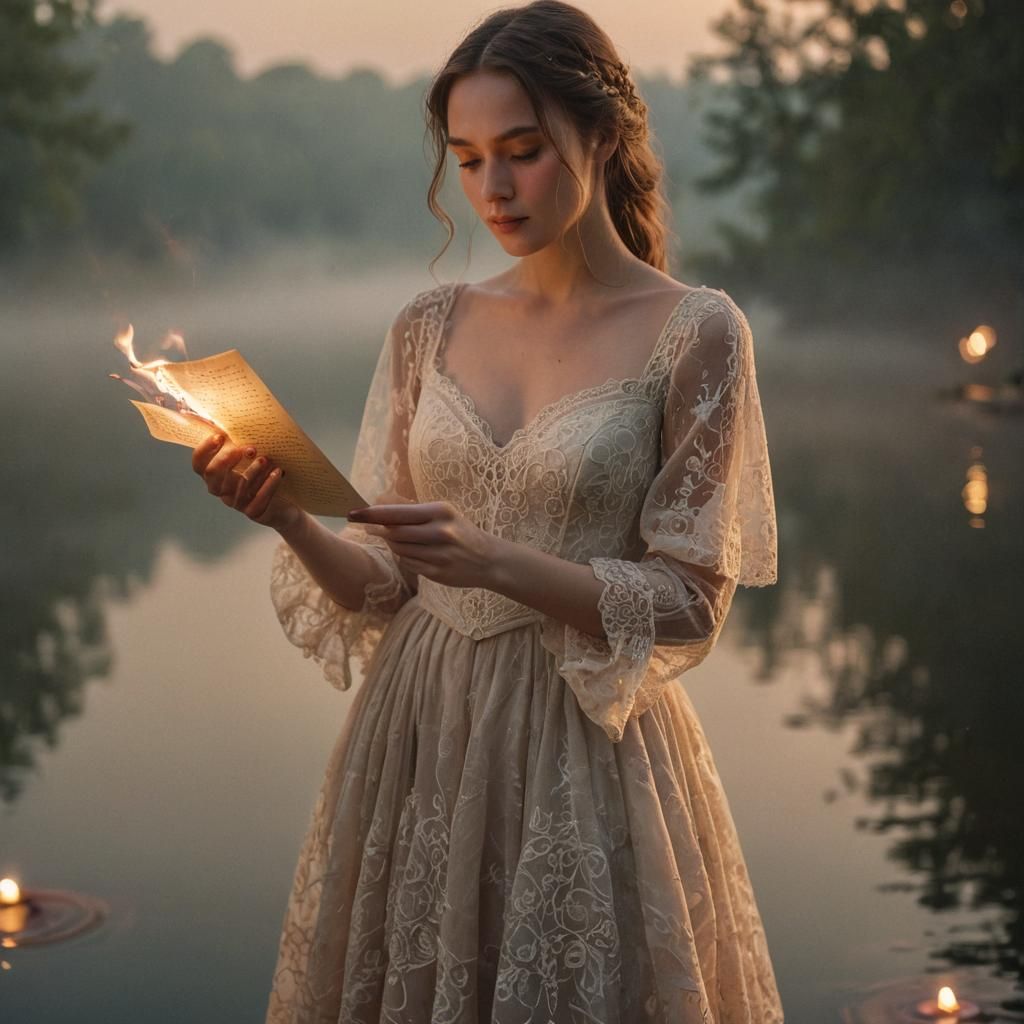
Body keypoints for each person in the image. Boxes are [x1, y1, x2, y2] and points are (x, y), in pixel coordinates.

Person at [192, 2, 783, 1020]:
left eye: (521, 151)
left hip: (582, 741)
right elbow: (383, 581)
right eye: (466, 160)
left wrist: (499, 561)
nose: (492, 189)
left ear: (601, 136)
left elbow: (692, 603)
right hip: (419, 733)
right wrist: (289, 515)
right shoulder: (429, 325)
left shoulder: (696, 331)